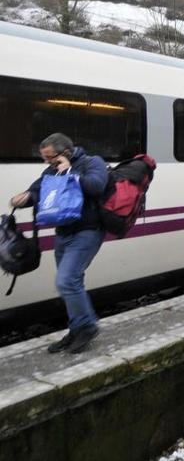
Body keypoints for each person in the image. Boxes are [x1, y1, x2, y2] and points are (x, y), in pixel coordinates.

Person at [10, 133, 108, 353]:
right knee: (71, 283)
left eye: (49, 157)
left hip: (88, 231)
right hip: (63, 233)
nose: (46, 162)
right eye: (44, 158)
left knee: (66, 280)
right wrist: (23, 198)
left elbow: (96, 186)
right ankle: (76, 328)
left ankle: (87, 326)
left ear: (65, 153)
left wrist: (70, 172)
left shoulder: (93, 162)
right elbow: (38, 190)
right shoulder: (51, 170)